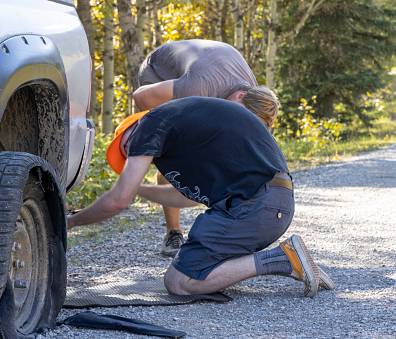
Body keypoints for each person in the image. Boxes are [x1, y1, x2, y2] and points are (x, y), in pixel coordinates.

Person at [67, 96, 335, 298]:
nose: (132, 157)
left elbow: (117, 202)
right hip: (273, 205)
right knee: (197, 270)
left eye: (127, 152)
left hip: (254, 206)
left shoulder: (149, 125)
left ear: (129, 130)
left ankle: (282, 259)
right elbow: (187, 198)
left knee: (179, 282)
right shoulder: (184, 130)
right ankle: (294, 261)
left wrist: (71, 221)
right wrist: (137, 188)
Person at [132, 39, 279, 257]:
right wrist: (166, 136)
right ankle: (173, 233)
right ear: (241, 96)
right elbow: (141, 96)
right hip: (159, 71)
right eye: (240, 115)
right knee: (176, 156)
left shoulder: (253, 96)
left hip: (206, 66)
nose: (238, 122)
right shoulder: (199, 87)